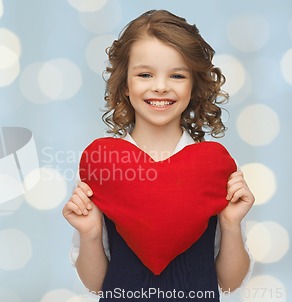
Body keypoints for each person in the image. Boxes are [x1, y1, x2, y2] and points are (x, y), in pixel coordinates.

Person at [62, 10, 254, 301]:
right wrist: (90, 233)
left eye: (177, 75)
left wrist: (230, 223)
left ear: (194, 85)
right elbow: (96, 285)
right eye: (145, 74)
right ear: (125, 84)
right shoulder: (103, 166)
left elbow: (230, 283)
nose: (161, 86)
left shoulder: (217, 166)